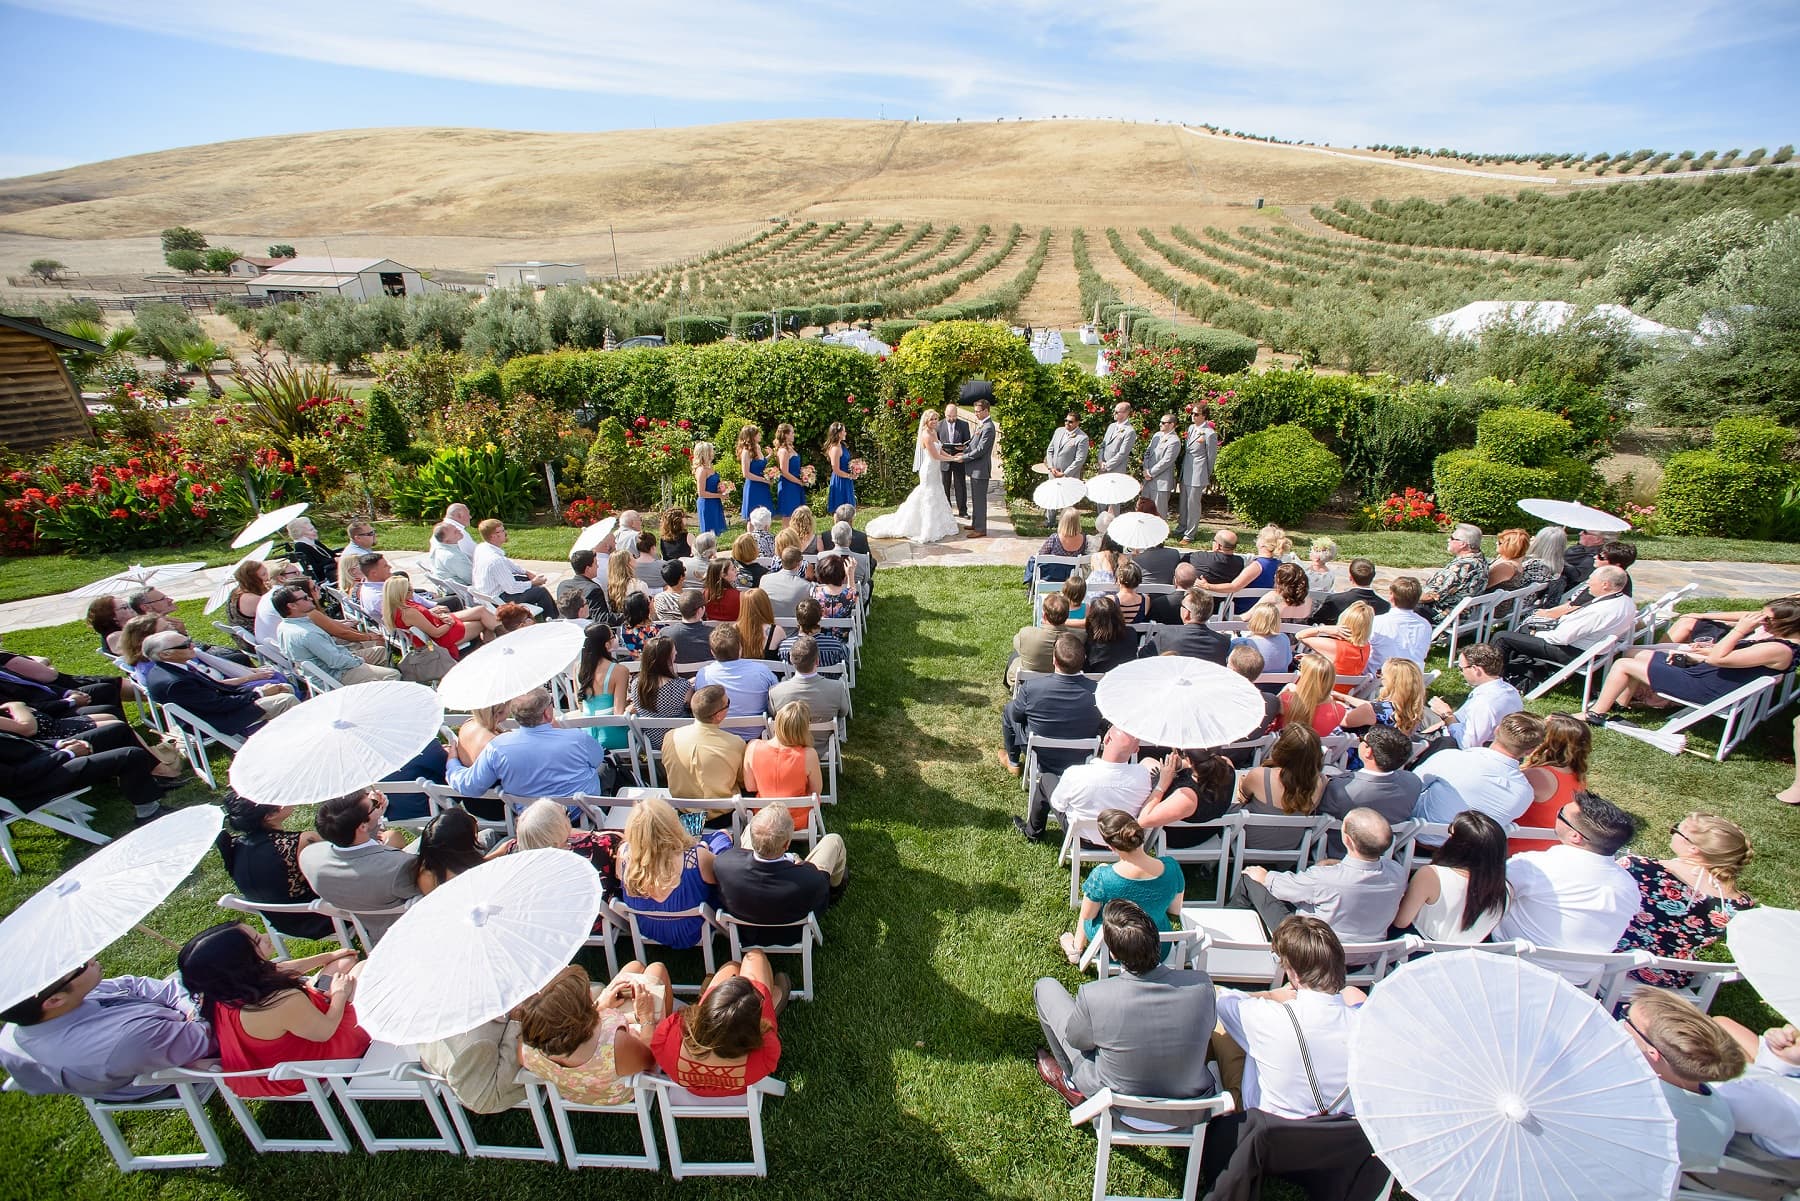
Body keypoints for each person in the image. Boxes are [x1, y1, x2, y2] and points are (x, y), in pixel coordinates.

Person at [1035, 899, 1219, 1112]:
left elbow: (1077, 1040)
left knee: (1045, 987)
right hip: (1188, 1110)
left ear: (1113, 954)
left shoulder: (1094, 996)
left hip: (1115, 1107)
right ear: (1156, 940)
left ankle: (1073, 1086)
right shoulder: (1202, 987)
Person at [176, 922, 367, 1098]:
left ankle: (326, 987)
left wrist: (329, 957)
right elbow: (326, 1031)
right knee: (362, 969)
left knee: (344, 962)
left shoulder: (222, 992)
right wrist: (340, 995)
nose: (266, 936)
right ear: (242, 961)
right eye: (258, 940)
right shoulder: (279, 1001)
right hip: (317, 1059)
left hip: (280, 1053)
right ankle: (340, 992)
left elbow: (282, 968)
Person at [1212, 917, 1363, 1121]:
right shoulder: (1367, 1026)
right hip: (1339, 1134)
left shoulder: (1266, 1015)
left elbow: (1221, 1000)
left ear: (1294, 973)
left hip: (1269, 1126)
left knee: (1220, 1012)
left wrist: (1272, 996)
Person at [0, 958, 215, 1101]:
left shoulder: (47, 1010)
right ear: (55, 1000)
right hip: (176, 1067)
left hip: (171, 1031)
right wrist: (199, 1010)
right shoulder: (122, 1042)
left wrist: (188, 1005)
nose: (90, 958)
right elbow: (209, 1037)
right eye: (80, 965)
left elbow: (134, 985)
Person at [1584, 599, 1800, 725]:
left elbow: (1719, 659)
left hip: (1705, 688)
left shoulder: (1779, 649)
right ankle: (1622, 703)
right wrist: (1707, 650)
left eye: (1767, 619)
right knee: (1633, 654)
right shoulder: (1780, 644)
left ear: (1786, 624)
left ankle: (1595, 714)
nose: (1760, 622)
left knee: (1623, 665)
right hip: (1708, 676)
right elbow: (1733, 658)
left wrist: (1740, 629)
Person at [1493, 790, 1640, 973]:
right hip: (1577, 981)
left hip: (1510, 965)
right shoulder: (1630, 888)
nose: (1557, 814)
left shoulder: (1534, 865)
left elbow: (1485, 893)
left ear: (1575, 836)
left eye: (1560, 813)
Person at [1617, 813, 1754, 990]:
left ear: (1693, 849)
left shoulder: (1638, 867)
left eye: (1676, 830)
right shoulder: (1740, 905)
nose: (1672, 832)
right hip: (1670, 975)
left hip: (1616, 958)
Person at [1234, 808, 1405, 949]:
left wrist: (1262, 875)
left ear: (1347, 840)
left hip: (1312, 949)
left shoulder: (1326, 879)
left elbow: (1280, 887)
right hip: (1368, 952)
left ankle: (1230, 934)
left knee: (1250, 878)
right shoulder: (1398, 873)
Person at [1622, 988, 1746, 1172]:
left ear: (1652, 1052)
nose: (1621, 1019)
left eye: (1626, 1017)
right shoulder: (1723, 1120)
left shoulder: (1624, 1094)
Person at [517, 963, 665, 1107]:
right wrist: (647, 1017)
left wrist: (600, 1007)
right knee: (657, 970)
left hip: (577, 1092)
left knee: (634, 967)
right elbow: (651, 1060)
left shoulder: (527, 1050)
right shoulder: (614, 1045)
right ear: (580, 1014)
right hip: (623, 1089)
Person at [1003, 634, 1103, 838]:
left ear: (1054, 660)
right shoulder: (1098, 692)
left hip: (1041, 756)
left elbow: (1016, 715)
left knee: (1009, 710)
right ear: (1083, 660)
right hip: (1082, 756)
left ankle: (1013, 761)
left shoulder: (1032, 688)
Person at [649, 950, 783, 1096]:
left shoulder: (666, 1039)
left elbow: (656, 1040)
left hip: (693, 1087)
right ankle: (773, 996)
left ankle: (761, 994)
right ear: (753, 1027)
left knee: (731, 967)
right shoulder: (767, 1050)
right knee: (755, 957)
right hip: (741, 1085)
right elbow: (767, 1032)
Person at [1060, 810, 1185, 964]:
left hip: (1116, 949)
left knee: (1087, 912)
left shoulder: (1102, 876)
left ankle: (1076, 948)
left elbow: (1088, 917)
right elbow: (1175, 910)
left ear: (1111, 847)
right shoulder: (1172, 867)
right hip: (1158, 947)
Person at [297, 788, 420, 943]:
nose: (376, 804)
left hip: (374, 930)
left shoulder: (309, 857)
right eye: (373, 804)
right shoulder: (398, 865)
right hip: (408, 928)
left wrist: (373, 819)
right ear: (362, 827)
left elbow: (359, 844)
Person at [714, 805, 847, 943]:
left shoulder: (723, 864)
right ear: (787, 844)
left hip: (745, 932)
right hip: (792, 935)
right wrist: (798, 862)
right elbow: (816, 882)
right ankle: (836, 888)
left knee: (751, 827)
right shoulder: (810, 879)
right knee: (834, 840)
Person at [448, 688, 610, 801]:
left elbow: (469, 785)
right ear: (547, 713)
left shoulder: (497, 748)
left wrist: (452, 762)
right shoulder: (577, 738)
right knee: (607, 766)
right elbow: (597, 760)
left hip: (534, 820)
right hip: (581, 813)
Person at [215, 792, 334, 940]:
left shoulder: (235, 848)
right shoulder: (301, 842)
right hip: (323, 917)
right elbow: (341, 866)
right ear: (269, 816)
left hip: (282, 923)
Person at [1413, 711, 1551, 833]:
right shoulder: (1525, 793)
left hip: (1413, 836)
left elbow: (1410, 786)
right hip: (1467, 853)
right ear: (1530, 750)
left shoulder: (1452, 757)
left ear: (1496, 731)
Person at [1496, 565, 1635, 687]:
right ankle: (1518, 671)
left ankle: (1491, 678)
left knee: (1502, 637)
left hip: (1570, 651)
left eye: (1592, 579)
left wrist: (1536, 633)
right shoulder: (1627, 602)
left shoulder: (1600, 611)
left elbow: (1560, 638)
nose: (1588, 583)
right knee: (1525, 631)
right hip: (1592, 650)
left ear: (1605, 585)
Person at [142, 630, 297, 731]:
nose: (192, 646)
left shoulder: (176, 666)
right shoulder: (175, 682)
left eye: (190, 640)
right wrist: (259, 694)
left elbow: (218, 689)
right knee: (286, 700)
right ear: (166, 655)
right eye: (185, 645)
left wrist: (259, 691)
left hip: (221, 706)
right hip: (217, 720)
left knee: (282, 687)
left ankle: (287, 731)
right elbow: (218, 705)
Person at [1391, 810, 1509, 944]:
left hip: (1416, 950)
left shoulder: (1431, 875)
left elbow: (1401, 922)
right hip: (1463, 958)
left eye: (1451, 834)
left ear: (1459, 845)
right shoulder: (1506, 890)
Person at [619, 796, 719, 948]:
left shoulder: (624, 855)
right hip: (692, 928)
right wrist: (705, 848)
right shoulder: (696, 858)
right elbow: (720, 880)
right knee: (721, 839)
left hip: (648, 926)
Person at [1044, 726, 1153, 847]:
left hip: (1081, 838)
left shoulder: (1075, 774)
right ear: (1136, 750)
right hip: (1123, 839)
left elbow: (1058, 804)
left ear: (1106, 738)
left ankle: (1033, 832)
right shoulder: (1143, 775)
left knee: (1047, 779)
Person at [270, 584, 400, 685]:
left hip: (331, 664)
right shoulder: (307, 634)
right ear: (292, 606)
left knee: (379, 652)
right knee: (392, 674)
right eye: (304, 598)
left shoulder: (284, 626)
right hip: (336, 675)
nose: (310, 598)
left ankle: (377, 687)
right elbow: (336, 662)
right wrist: (359, 661)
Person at [868, 409, 962, 544]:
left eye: (936, 419)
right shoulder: (926, 435)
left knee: (937, 493)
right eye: (932, 419)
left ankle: (940, 524)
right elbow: (935, 455)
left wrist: (952, 456)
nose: (935, 421)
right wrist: (953, 460)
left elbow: (940, 449)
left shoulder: (934, 432)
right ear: (926, 421)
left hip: (935, 470)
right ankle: (925, 526)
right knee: (928, 495)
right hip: (929, 469)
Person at [1319, 725, 1423, 841]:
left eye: (1362, 739)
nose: (1360, 741)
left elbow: (1319, 815)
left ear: (1368, 752)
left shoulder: (1341, 789)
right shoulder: (1414, 782)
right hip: (1386, 848)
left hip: (1342, 848)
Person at [1235, 725, 1327, 855]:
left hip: (1250, 840)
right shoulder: (1321, 781)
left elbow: (1243, 795)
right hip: (1291, 845)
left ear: (1282, 748)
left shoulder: (1261, 775)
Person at [1512, 713, 1591, 851]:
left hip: (1519, 849)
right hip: (1552, 849)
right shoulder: (1578, 776)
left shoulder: (1537, 775)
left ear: (1546, 742)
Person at [1426, 643, 1522, 749]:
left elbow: (1466, 744)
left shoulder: (1484, 703)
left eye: (1461, 668)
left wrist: (1446, 715)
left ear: (1476, 669)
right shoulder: (1510, 690)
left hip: (1454, 745)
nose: (1461, 673)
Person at [1135, 749, 1236, 847]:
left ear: (1189, 760)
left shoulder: (1188, 796)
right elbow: (1204, 764)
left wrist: (1162, 784)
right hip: (1212, 827)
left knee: (1146, 764)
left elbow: (1143, 820)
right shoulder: (1226, 764)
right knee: (1148, 762)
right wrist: (1180, 765)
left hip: (1184, 836)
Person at [661, 684, 746, 798]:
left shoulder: (670, 737)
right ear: (718, 715)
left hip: (682, 812)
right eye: (728, 703)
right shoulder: (736, 744)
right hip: (724, 811)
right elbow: (743, 781)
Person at [768, 635, 851, 750]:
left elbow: (773, 716)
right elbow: (843, 712)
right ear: (817, 660)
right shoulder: (836, 688)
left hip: (788, 747)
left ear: (791, 661)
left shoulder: (775, 692)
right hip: (823, 747)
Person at [695, 625, 778, 732]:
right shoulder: (762, 671)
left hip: (719, 735)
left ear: (712, 652)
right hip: (758, 735)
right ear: (740, 647)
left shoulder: (703, 674)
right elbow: (776, 698)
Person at [744, 700, 823, 806]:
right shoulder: (809, 755)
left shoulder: (752, 747)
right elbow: (816, 791)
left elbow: (750, 787)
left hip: (764, 816)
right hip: (798, 817)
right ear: (804, 729)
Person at [470, 519, 557, 615]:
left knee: (523, 578)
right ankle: (552, 618)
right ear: (493, 536)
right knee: (540, 592)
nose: (505, 533)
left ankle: (547, 611)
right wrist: (533, 583)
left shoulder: (482, 548)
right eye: (502, 531)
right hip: (498, 600)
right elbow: (511, 588)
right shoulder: (495, 560)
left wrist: (526, 572)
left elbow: (508, 563)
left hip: (488, 594)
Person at [628, 636, 693, 752]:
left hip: (650, 741)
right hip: (677, 741)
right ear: (667, 658)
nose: (676, 653)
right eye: (674, 651)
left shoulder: (636, 684)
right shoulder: (682, 687)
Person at [1417, 523, 1489, 622]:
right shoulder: (1480, 560)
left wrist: (1400, 597)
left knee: (1392, 605)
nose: (1448, 540)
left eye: (1452, 538)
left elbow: (1428, 596)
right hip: (1463, 613)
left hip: (1442, 615)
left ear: (1463, 544)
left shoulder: (1460, 568)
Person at [1343, 657, 1429, 740]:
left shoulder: (1371, 710)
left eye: (1380, 672)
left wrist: (1335, 703)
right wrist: (1344, 697)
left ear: (1390, 680)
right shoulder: (1414, 713)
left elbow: (1341, 720)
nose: (1379, 676)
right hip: (1386, 754)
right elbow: (1374, 707)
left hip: (1356, 752)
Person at [1276, 653, 1356, 738]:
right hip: (1311, 749)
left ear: (1306, 676)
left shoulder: (1286, 699)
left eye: (1300, 668)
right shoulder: (1339, 710)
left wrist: (1286, 688)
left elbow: (1268, 715)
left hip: (1280, 745)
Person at [1138, 589, 1229, 663]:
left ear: (1187, 613)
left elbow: (1143, 657)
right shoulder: (1222, 643)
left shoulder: (1165, 634)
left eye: (1182, 605)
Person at [1201, 524, 1290, 599]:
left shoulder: (1257, 566)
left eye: (1259, 537)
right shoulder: (1279, 565)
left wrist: (1208, 586)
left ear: (1262, 544)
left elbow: (1233, 587)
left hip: (1246, 608)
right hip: (1265, 606)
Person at [1297, 601, 1374, 686]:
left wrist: (1323, 629)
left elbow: (1300, 636)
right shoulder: (1366, 646)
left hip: (1323, 691)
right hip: (1344, 691)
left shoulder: (1334, 646)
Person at [1366, 576, 1431, 674]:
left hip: (1381, 678)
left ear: (1391, 596)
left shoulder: (1378, 621)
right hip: (1413, 678)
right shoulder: (1425, 625)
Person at [1013, 592, 1084, 678]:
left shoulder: (1027, 633)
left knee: (1014, 657)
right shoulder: (1079, 637)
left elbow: (1016, 644)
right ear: (1067, 615)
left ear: (1044, 616)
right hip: (1061, 682)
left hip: (1029, 681)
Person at [1178, 407, 1218, 540]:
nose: (1193, 416)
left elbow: (1211, 456)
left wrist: (1206, 474)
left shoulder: (1209, 433)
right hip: (1187, 468)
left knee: (1193, 504)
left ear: (1204, 416)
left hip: (1198, 471)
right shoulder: (1191, 428)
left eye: (1196, 414)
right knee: (1183, 501)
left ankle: (1190, 534)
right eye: (1192, 413)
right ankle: (1182, 527)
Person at [1310, 558, 1388, 625]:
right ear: (1373, 577)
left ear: (1350, 578)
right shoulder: (1385, 606)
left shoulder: (1335, 600)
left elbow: (1316, 620)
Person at [1044, 413, 1091, 517]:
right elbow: (1050, 450)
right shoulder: (1058, 431)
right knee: (1052, 497)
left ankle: (1065, 525)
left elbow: (1079, 459)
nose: (1067, 423)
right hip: (1054, 472)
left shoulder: (1082, 438)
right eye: (1066, 420)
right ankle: (1049, 521)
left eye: (1070, 421)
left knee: (1067, 502)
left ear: (1077, 423)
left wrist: (1065, 473)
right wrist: (1051, 467)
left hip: (1069, 475)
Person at [778, 597, 846, 668]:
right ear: (820, 617)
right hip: (829, 679)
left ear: (798, 619)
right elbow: (845, 665)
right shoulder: (835, 645)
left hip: (797, 679)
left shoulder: (784, 647)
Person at [1081, 595, 1139, 673]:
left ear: (1093, 619)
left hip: (1098, 680)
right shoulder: (1131, 633)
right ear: (1118, 614)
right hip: (1126, 676)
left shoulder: (1090, 641)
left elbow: (1087, 668)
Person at [1097, 401, 1137, 515]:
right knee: (1101, 496)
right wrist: (1101, 461)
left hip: (1116, 469)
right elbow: (1103, 445)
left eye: (1117, 412)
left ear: (1125, 413)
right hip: (1103, 467)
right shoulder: (1111, 426)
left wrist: (1108, 465)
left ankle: (1112, 527)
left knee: (1113, 500)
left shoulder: (1130, 431)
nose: (1114, 413)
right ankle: (1101, 525)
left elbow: (1123, 453)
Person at [1233, 601, 1293, 676]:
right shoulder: (1284, 638)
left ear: (1254, 620)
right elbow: (1289, 660)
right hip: (1280, 686)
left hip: (1252, 685)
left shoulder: (1244, 643)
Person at [1140, 412, 1180, 518]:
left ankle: (1159, 534)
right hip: (1148, 479)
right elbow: (1148, 453)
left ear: (1171, 425)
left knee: (1158, 512)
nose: (1160, 424)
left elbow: (1166, 461)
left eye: (1163, 422)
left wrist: (1150, 472)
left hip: (1161, 481)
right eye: (1160, 422)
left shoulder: (1174, 441)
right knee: (1144, 508)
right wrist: (1145, 469)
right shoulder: (1157, 435)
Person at [558, 549, 612, 621]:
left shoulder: (562, 585)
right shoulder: (593, 589)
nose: (598, 566)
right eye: (595, 563)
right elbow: (602, 618)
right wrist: (626, 616)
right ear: (588, 568)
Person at [285, 515, 340, 585]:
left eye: (314, 528)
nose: (316, 531)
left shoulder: (314, 542)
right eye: (311, 530)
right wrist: (333, 560)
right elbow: (315, 567)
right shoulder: (301, 546)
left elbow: (331, 554)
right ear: (301, 533)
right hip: (326, 576)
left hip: (334, 569)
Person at [760, 546, 813, 618]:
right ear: (799, 563)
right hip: (793, 628)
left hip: (769, 626)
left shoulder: (764, 579)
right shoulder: (806, 586)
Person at [737, 425, 773, 525]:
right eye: (758, 433)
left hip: (763, 486)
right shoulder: (746, 452)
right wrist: (763, 480)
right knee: (752, 519)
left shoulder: (757, 447)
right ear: (752, 436)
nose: (760, 435)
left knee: (765, 517)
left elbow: (760, 463)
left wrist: (769, 456)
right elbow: (746, 473)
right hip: (753, 487)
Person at [736, 586, 785, 660]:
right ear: (766, 605)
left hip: (743, 671)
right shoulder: (777, 631)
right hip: (770, 671)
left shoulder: (734, 629)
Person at [425, 521, 474, 588]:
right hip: (459, 593)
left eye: (456, 528)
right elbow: (473, 579)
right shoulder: (453, 557)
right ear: (446, 540)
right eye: (455, 532)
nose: (459, 530)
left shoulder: (439, 548)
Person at [810, 552, 858, 619]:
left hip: (820, 629)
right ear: (844, 576)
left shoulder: (814, 593)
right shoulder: (850, 597)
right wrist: (850, 574)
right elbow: (852, 590)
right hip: (843, 629)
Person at [616, 590, 659, 659]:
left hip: (631, 666)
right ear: (645, 609)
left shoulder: (623, 629)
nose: (652, 601)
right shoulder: (655, 630)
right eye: (649, 600)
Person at [607, 547, 649, 615]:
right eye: (633, 556)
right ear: (628, 562)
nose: (636, 558)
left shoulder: (610, 587)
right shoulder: (639, 585)